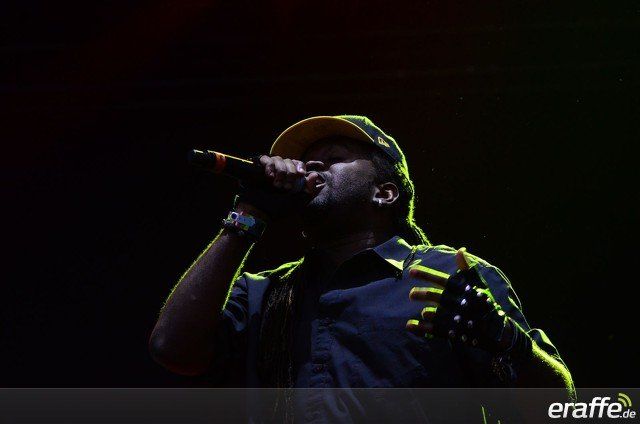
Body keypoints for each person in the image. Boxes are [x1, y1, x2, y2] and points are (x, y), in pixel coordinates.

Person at [149, 115, 574, 421]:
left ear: (384, 193)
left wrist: (507, 342)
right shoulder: (264, 292)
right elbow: (172, 348)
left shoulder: (449, 273)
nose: (311, 167)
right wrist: (249, 214)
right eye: (307, 162)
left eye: (333, 158)